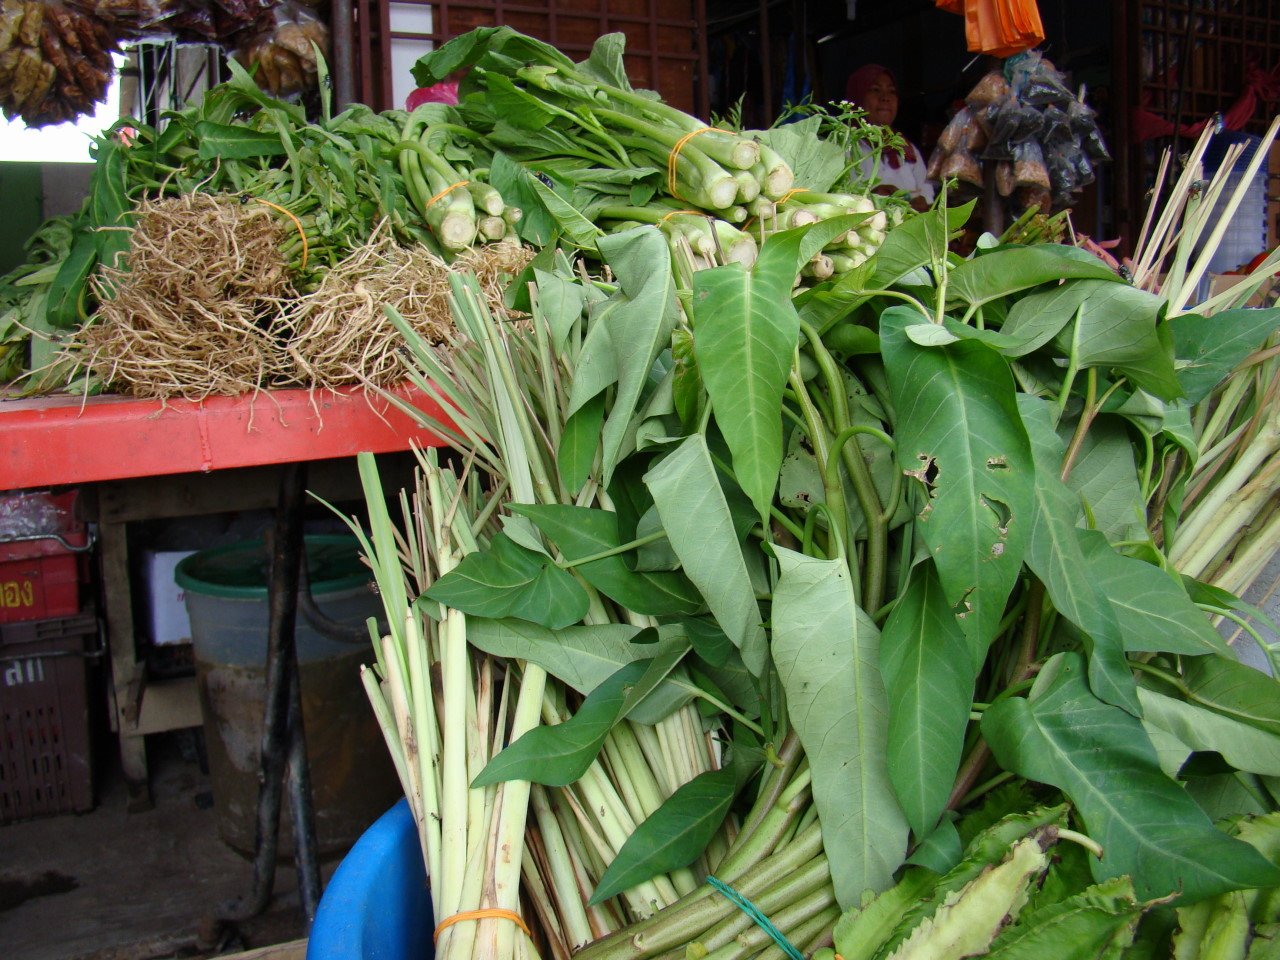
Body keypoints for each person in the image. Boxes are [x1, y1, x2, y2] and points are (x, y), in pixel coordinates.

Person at [844, 65, 935, 210]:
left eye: (892, 91)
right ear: (858, 96)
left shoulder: (907, 149)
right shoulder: (843, 147)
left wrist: (916, 203)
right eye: (875, 89)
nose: (885, 98)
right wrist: (871, 199)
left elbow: (928, 196)